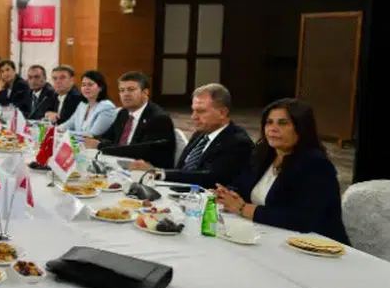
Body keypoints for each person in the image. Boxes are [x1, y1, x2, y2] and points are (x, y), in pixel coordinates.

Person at [216, 99, 349, 244]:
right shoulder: (263, 155)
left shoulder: (316, 165)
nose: (273, 129)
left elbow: (302, 219)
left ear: (301, 128)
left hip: (316, 245)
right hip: (270, 236)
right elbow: (241, 185)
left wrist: (244, 208)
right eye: (269, 122)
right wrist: (225, 194)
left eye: (283, 123)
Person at [129, 84, 254, 188]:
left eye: (201, 111)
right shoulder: (200, 133)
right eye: (193, 110)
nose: (193, 117)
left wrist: (159, 173)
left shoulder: (237, 142)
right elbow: (182, 170)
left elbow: (211, 178)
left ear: (222, 113)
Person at [87, 71, 176, 169]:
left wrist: (101, 145)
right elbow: (108, 138)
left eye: (131, 89)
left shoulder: (158, 118)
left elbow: (141, 151)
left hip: (145, 170)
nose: (126, 94)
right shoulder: (123, 113)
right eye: (122, 90)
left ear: (145, 93)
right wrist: (95, 141)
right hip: (118, 164)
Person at [58, 70, 117, 137]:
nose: (86, 88)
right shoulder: (83, 104)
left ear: (100, 88)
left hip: (94, 143)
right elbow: (70, 123)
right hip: (79, 141)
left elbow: (93, 134)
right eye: (83, 85)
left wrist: (66, 133)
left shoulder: (107, 107)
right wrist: (57, 129)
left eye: (90, 85)